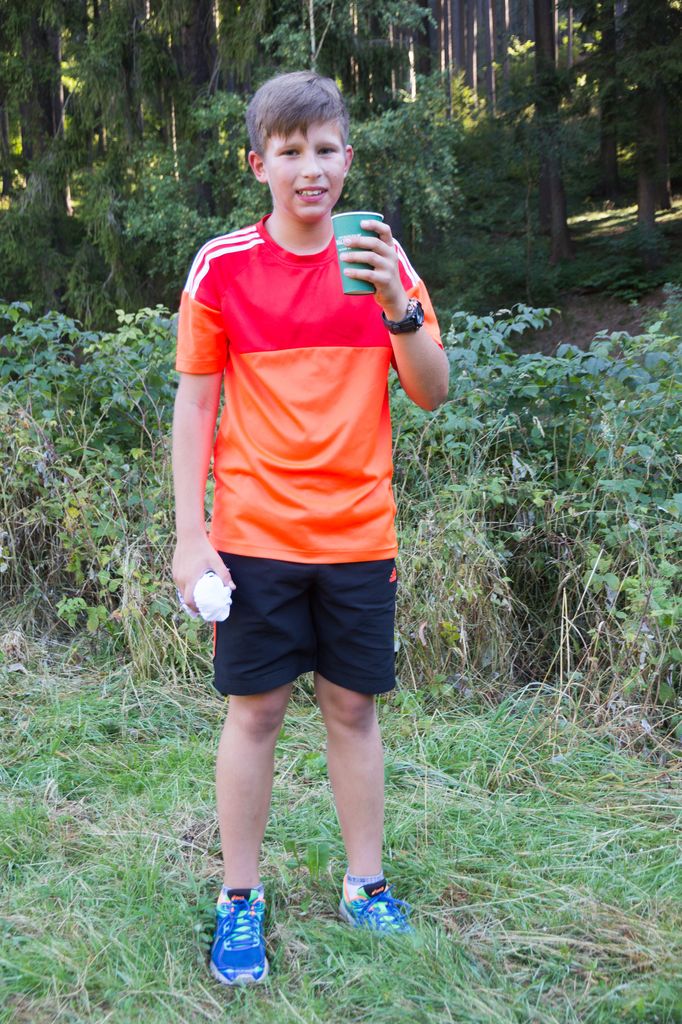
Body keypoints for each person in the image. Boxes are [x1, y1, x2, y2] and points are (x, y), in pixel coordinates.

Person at [172, 70, 449, 986]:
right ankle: (239, 898)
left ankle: (365, 884)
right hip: (254, 536)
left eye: (326, 149)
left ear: (348, 159)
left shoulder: (381, 259)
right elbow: (195, 405)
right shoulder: (222, 266)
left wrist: (397, 304)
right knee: (255, 712)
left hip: (360, 536)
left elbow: (432, 391)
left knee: (353, 708)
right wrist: (190, 535)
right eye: (290, 152)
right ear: (259, 165)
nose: (310, 168)